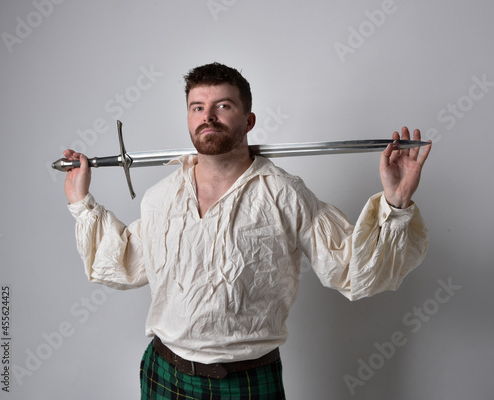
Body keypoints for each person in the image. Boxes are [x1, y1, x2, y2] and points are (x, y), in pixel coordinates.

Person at [63, 62, 432, 399]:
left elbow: (353, 270)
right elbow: (125, 261)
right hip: (165, 372)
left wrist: (395, 203)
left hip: (246, 384)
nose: (208, 117)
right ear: (189, 119)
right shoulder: (161, 197)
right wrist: (82, 204)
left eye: (223, 106)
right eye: (197, 108)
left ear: (249, 119)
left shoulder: (285, 193)